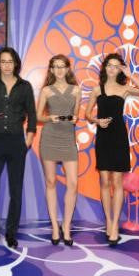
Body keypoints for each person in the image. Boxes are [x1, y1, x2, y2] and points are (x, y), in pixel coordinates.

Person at [84, 53, 139, 246]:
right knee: (104, 181)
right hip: (103, 137)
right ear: (104, 68)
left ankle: (114, 226)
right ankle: (108, 221)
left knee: (117, 181)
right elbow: (87, 114)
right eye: (109, 65)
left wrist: (130, 75)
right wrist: (97, 121)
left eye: (116, 66)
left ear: (120, 69)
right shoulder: (97, 89)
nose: (112, 68)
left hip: (119, 136)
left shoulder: (125, 88)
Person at [0, 47, 37, 248]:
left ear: (16, 64)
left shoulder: (25, 87)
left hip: (17, 143)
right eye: (3, 61)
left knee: (16, 190)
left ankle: (12, 233)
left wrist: (28, 140)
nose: (7, 65)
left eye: (10, 61)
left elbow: (32, 115)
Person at [36, 54, 80, 246]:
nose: (59, 70)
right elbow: (38, 116)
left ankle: (66, 227)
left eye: (63, 66)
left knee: (73, 183)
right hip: (49, 138)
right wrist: (49, 118)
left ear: (68, 68)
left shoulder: (76, 90)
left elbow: (76, 116)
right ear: (51, 70)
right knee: (51, 182)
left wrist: (75, 119)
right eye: (56, 66)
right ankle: (55, 227)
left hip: (68, 138)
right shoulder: (46, 90)